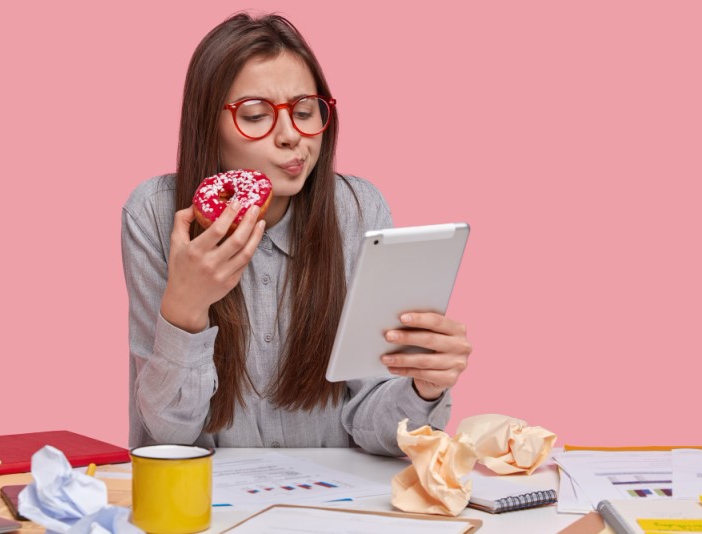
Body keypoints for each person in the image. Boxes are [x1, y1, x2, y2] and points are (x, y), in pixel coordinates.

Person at [121, 12, 472, 456]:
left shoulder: (357, 211)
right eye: (255, 116)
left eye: (305, 111)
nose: (292, 137)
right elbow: (169, 435)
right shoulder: (155, 214)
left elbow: (375, 424)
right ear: (206, 124)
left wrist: (423, 387)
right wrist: (186, 307)